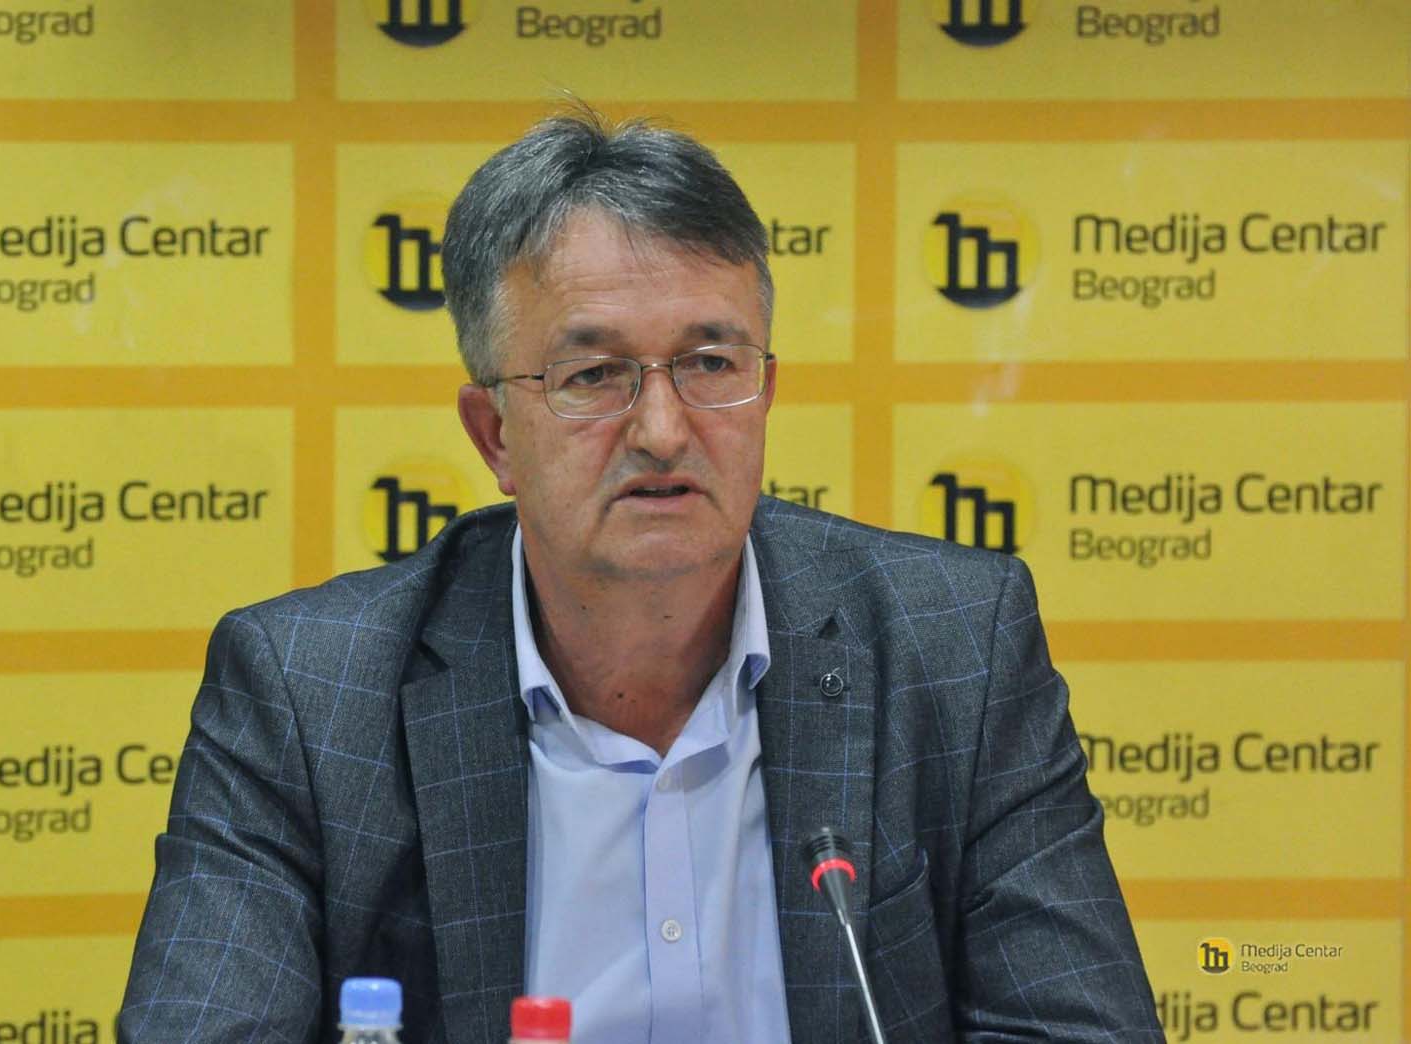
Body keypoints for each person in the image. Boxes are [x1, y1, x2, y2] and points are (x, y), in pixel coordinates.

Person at [119, 107, 1163, 1044]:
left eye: (710, 364)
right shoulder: (309, 694)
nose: (663, 430)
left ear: (764, 393)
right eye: (594, 375)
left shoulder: (955, 646)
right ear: (494, 434)